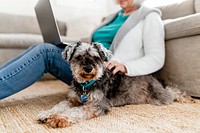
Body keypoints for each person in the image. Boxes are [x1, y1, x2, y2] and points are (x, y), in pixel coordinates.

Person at [0, 0, 165, 100]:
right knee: (40, 47)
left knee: (45, 52)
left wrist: (126, 66)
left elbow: (156, 57)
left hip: (106, 74)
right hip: (86, 63)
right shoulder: (113, 17)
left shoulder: (150, 17)